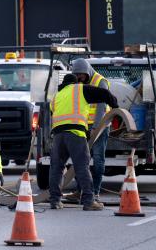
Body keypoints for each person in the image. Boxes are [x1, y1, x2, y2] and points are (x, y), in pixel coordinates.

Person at [48, 73, 119, 211]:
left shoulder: (57, 96)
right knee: (82, 167)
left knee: (56, 168)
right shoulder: (80, 89)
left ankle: (55, 201)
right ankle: (88, 201)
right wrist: (115, 105)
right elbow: (104, 93)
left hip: (58, 136)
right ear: (75, 83)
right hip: (75, 134)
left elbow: (53, 112)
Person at [71, 58, 111, 201]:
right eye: (76, 76)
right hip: (83, 126)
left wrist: (96, 127)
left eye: (80, 75)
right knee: (81, 159)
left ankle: (95, 192)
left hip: (99, 126)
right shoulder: (79, 83)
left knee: (98, 159)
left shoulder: (100, 82)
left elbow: (101, 106)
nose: (79, 78)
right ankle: (79, 191)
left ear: (86, 71)